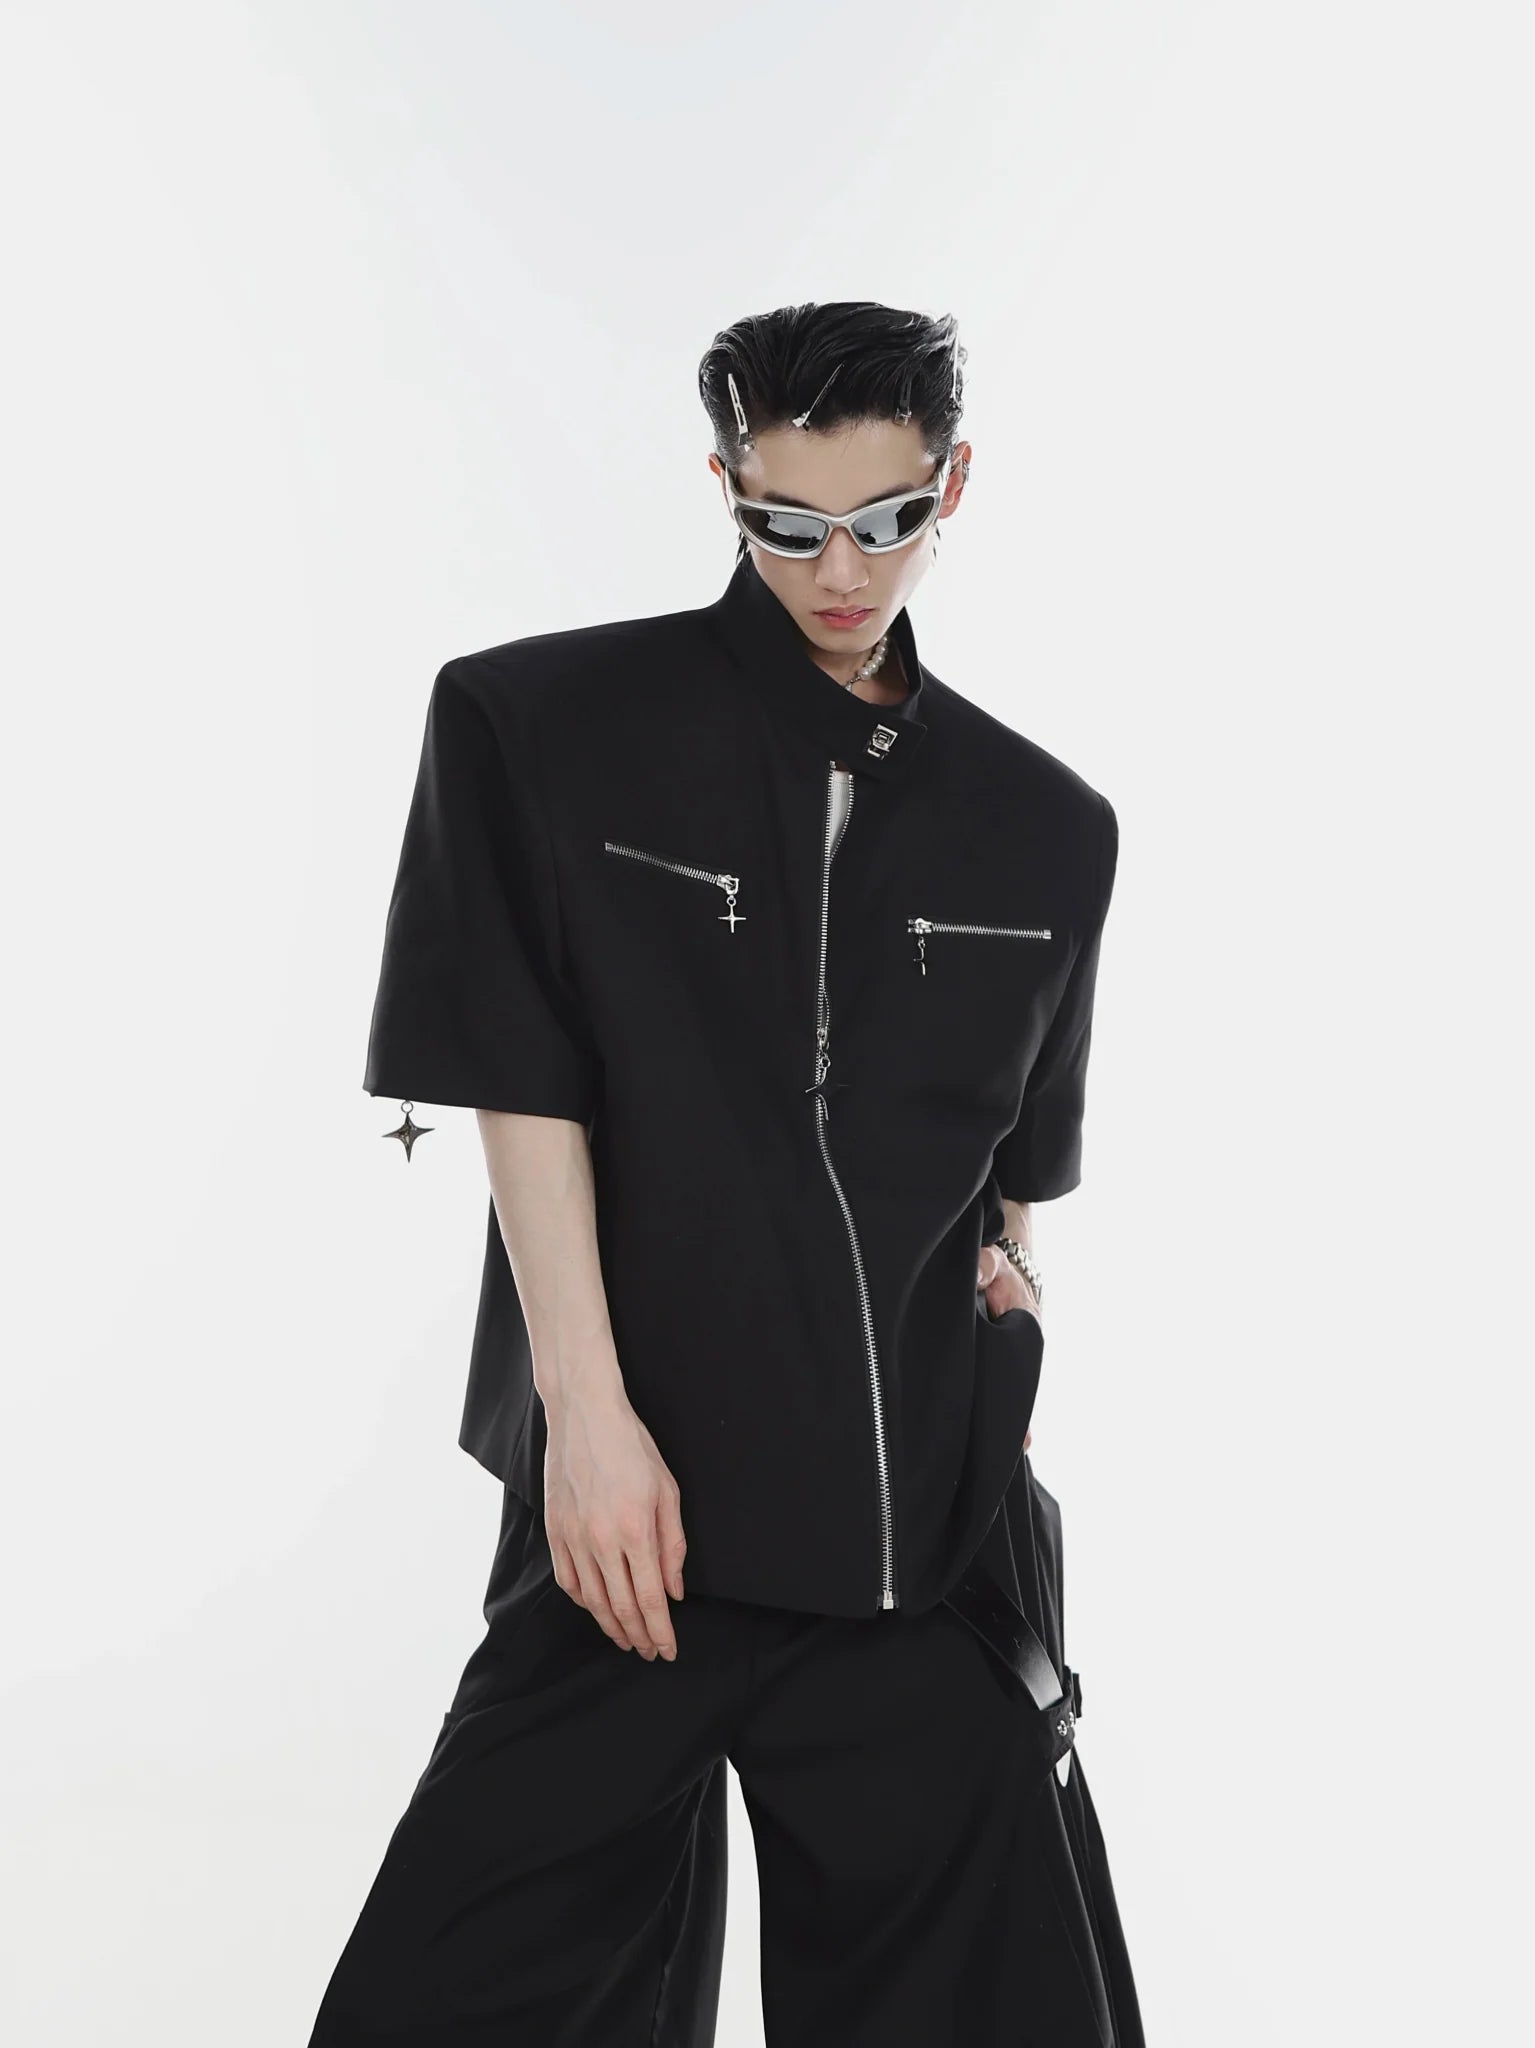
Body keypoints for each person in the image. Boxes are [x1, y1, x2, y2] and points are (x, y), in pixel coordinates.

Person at [306, 299, 1144, 2047]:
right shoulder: (540, 725)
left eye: (888, 520)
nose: (841, 571)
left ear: (954, 486)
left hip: (921, 1548)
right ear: (725, 487)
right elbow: (520, 1083)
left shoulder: (1048, 827)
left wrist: (1012, 1299)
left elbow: (1014, 1175)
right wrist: (585, 1419)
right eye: (788, 523)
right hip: (635, 1535)